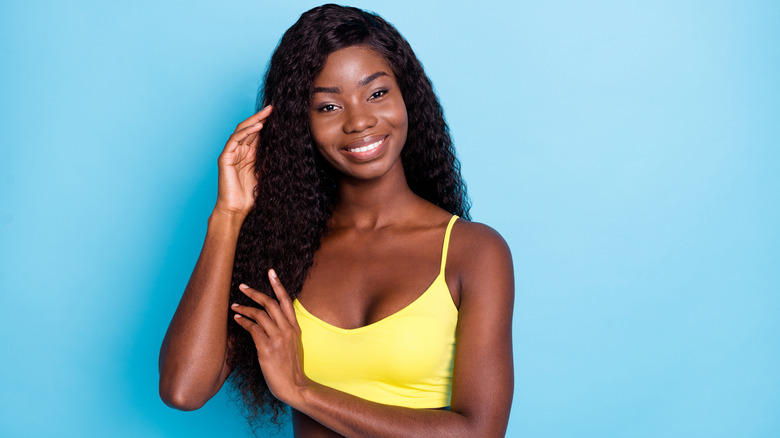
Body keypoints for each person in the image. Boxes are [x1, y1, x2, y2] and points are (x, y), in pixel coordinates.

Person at [159, 4, 514, 437]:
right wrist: (229, 216)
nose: (360, 120)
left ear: (408, 97)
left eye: (377, 93)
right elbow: (184, 389)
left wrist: (302, 390)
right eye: (328, 106)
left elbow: (480, 432)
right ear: (298, 125)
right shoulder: (282, 253)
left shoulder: (472, 251)